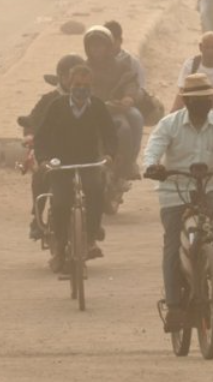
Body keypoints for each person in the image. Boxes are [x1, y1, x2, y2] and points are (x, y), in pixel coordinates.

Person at [143, 72, 213, 331]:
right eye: (197, 100)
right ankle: (173, 307)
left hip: (209, 189)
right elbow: (152, 151)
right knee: (172, 244)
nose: (203, 104)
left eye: (207, 99)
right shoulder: (168, 125)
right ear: (186, 101)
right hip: (174, 192)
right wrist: (152, 166)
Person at [34, 64, 117, 273]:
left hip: (89, 162)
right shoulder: (57, 106)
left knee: (96, 191)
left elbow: (110, 134)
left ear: (92, 86)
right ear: (69, 85)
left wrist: (109, 155)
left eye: (86, 85)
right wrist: (43, 159)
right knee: (61, 202)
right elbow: (41, 136)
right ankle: (60, 249)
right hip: (60, 164)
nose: (82, 89)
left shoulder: (97, 106)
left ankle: (90, 238)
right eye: (77, 85)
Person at [23, 54, 85, 241]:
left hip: (82, 152)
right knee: (41, 175)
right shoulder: (49, 99)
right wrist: (30, 135)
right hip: (52, 152)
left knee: (97, 181)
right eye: (69, 76)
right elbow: (33, 120)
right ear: (60, 77)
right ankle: (37, 218)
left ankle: (92, 226)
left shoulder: (90, 99)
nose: (74, 81)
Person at [84, 26, 142, 181]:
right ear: (87, 48)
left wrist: (129, 97)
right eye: (93, 45)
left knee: (131, 122)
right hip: (91, 111)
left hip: (116, 110)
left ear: (108, 47)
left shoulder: (121, 66)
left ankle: (128, 164)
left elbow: (130, 81)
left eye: (100, 45)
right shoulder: (83, 68)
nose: (96, 49)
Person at [172, 32, 213, 116]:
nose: (210, 51)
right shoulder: (190, 65)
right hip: (193, 114)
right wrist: (171, 117)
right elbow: (182, 93)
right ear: (200, 47)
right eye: (207, 47)